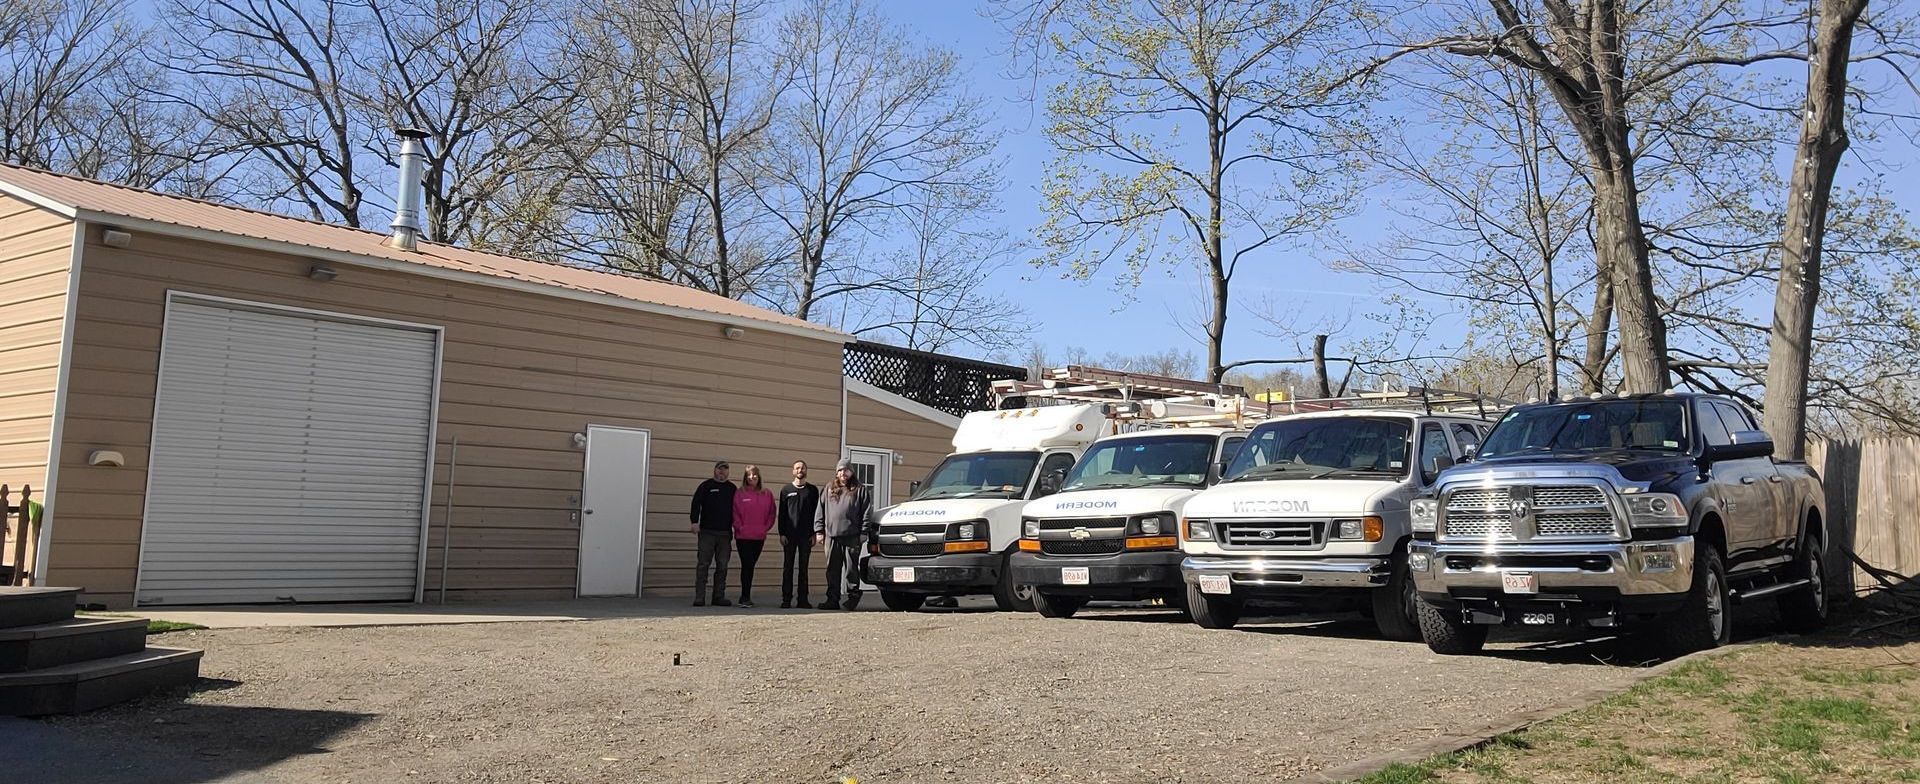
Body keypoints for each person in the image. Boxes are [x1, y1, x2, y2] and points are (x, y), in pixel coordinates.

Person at [816, 459, 876, 611]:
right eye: (840, 470)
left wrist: (864, 532)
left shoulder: (860, 489)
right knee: (832, 570)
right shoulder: (829, 488)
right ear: (837, 472)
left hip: (852, 536)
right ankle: (832, 599)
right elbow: (820, 510)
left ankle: (853, 597)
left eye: (846, 470)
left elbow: (867, 512)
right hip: (832, 536)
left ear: (851, 472)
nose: (843, 473)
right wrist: (819, 531)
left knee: (850, 569)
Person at [689, 460, 736, 607]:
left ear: (728, 472)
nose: (722, 472)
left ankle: (718, 597)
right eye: (719, 469)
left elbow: (739, 509)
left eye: (725, 469)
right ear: (714, 470)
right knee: (703, 564)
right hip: (707, 533)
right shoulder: (705, 486)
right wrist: (694, 522)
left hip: (725, 534)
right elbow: (696, 503)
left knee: (723, 566)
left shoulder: (732, 489)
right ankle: (700, 597)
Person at [777, 460, 821, 609]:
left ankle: (803, 599)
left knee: (804, 568)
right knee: (787, 568)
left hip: (806, 536)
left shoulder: (812, 491)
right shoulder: (786, 490)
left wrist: (815, 533)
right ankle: (786, 599)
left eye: (802, 468)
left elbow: (817, 514)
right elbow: (781, 513)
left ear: (806, 470)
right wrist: (781, 533)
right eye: (797, 468)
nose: (800, 470)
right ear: (793, 471)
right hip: (789, 536)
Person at [731, 466, 776, 608]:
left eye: (755, 475)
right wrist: (740, 527)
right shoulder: (739, 493)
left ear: (759, 477)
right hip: (743, 536)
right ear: (746, 477)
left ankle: (746, 596)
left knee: (751, 565)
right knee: (747, 565)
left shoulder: (767, 494)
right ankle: (745, 597)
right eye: (749, 475)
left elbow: (772, 513)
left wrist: (765, 528)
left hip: (759, 536)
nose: (752, 477)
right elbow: (734, 513)